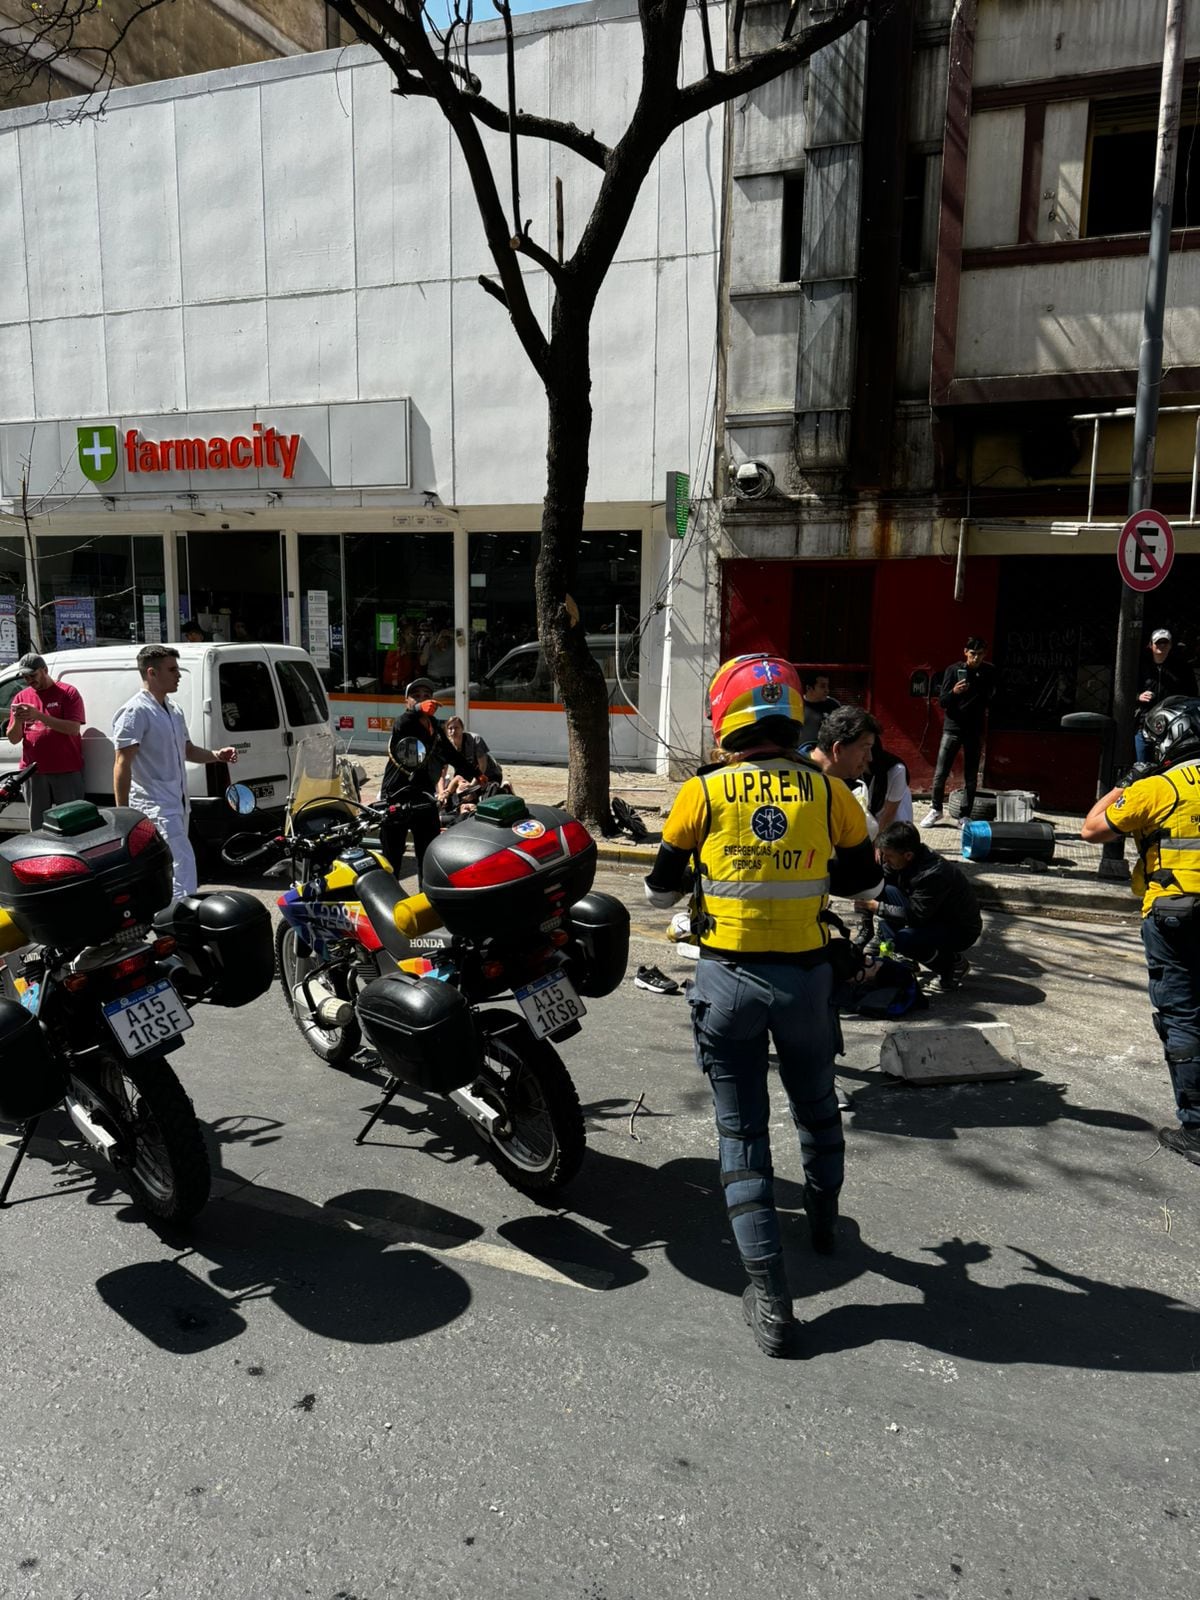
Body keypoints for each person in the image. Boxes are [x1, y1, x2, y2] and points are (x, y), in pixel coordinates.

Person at [644, 653, 882, 1358]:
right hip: (806, 981)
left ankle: (774, 1306)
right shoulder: (828, 790)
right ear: (792, 715)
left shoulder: (704, 792)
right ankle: (825, 1222)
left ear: (726, 717)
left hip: (728, 983)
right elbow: (862, 882)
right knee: (815, 1104)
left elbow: (658, 894)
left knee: (742, 1134)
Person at [1081, 696, 1200, 1166]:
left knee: (1182, 1015)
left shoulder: (1161, 786)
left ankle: (1196, 1127)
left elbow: (1091, 829)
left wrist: (1125, 783)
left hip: (1176, 914)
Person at [112, 644, 238, 899]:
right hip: (153, 805)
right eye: (172, 669)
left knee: (170, 865)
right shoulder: (135, 711)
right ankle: (183, 918)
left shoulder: (173, 709)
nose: (178, 674)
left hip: (178, 802)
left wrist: (215, 755)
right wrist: (122, 816)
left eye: (177, 669)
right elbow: (121, 764)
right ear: (151, 673)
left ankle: (168, 918)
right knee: (183, 863)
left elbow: (188, 750)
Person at [854, 819, 982, 990]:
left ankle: (952, 967)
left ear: (908, 855)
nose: (885, 860)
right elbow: (878, 881)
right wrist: (864, 900)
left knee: (906, 940)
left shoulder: (933, 874)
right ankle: (901, 953)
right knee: (880, 888)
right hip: (931, 914)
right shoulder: (904, 859)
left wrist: (875, 907)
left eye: (889, 856)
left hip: (959, 929)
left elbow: (916, 915)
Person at [921, 637, 996, 828]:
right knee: (941, 772)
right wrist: (954, 691)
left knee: (970, 776)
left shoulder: (989, 672)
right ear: (965, 652)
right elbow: (943, 701)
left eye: (980, 654)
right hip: (953, 727)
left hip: (974, 729)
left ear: (985, 654)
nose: (976, 658)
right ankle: (936, 809)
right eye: (973, 654)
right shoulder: (953, 670)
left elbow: (992, 698)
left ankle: (965, 815)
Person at [6, 652, 86, 829]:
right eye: (25, 677)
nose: (29, 680)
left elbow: (73, 728)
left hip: (66, 770)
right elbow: (13, 739)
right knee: (38, 827)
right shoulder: (21, 697)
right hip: (33, 773)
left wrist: (39, 716)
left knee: (72, 825)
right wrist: (18, 720)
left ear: (45, 670)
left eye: (32, 675)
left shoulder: (68, 693)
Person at [379, 699, 446, 883]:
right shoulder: (404, 724)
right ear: (407, 701)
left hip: (423, 799)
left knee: (427, 856)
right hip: (396, 799)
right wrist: (416, 709)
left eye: (427, 694)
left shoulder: (434, 726)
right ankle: (389, 903)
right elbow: (401, 723)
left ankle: (425, 902)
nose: (423, 698)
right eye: (416, 695)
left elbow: (450, 753)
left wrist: (475, 773)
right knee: (391, 859)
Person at [1135, 630, 1197, 761]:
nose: (1161, 646)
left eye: (1165, 642)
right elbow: (1128, 690)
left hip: (1173, 723)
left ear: (1170, 645)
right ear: (1151, 645)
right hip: (1146, 721)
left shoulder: (1182, 668)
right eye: (1158, 643)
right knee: (1142, 762)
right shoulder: (1141, 667)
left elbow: (1192, 694)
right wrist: (1138, 696)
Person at [799, 670, 840, 745]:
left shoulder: (833, 705)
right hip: (801, 753)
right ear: (809, 688)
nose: (827, 690)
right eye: (822, 686)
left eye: (827, 686)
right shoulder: (797, 705)